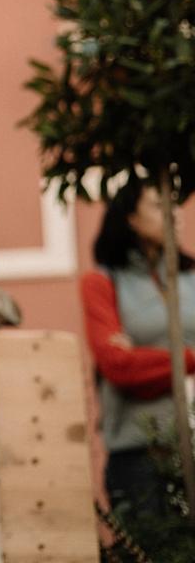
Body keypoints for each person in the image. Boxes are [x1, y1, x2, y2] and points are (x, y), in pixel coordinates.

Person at [81, 179, 195, 517]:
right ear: (130, 217)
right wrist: (191, 358)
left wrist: (143, 354)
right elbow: (119, 367)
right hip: (140, 455)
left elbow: (133, 362)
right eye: (159, 206)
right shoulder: (101, 282)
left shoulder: (192, 279)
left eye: (176, 204)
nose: (175, 214)